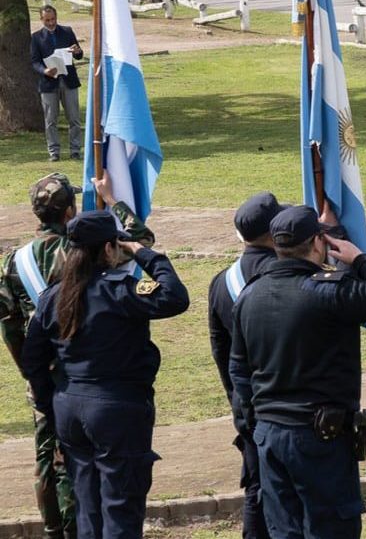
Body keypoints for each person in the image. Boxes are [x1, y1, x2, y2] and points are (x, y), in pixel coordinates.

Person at [230, 206, 366, 538]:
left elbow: (238, 371)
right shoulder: (327, 291)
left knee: (285, 530)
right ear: (318, 242)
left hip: (270, 434)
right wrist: (359, 258)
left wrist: (257, 424)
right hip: (318, 438)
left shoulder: (249, 295)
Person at [0, 172, 153, 539]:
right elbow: (142, 240)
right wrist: (111, 198)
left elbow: (10, 326)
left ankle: (56, 529)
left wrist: (34, 373)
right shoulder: (88, 248)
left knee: (47, 459)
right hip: (86, 374)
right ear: (70, 209)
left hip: (43, 375)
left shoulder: (13, 262)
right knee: (92, 464)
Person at [21, 210, 190, 538]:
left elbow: (33, 360)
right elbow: (175, 297)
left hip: (69, 408)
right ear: (111, 248)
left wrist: (50, 403)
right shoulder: (120, 290)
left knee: (89, 507)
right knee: (120, 508)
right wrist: (142, 251)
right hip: (116, 409)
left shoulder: (54, 297)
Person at [207, 192, 284, 539]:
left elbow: (220, 352)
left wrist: (237, 401)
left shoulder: (221, 282)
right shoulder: (283, 275)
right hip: (287, 404)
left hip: (248, 403)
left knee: (255, 488)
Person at [30, 5, 84, 162]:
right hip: (48, 83)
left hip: (68, 81)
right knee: (50, 120)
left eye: (53, 19)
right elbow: (34, 62)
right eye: (47, 20)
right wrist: (44, 71)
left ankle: (75, 150)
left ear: (56, 17)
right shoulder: (36, 37)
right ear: (41, 20)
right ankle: (54, 152)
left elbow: (79, 54)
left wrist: (77, 51)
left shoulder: (67, 31)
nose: (51, 23)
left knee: (74, 118)